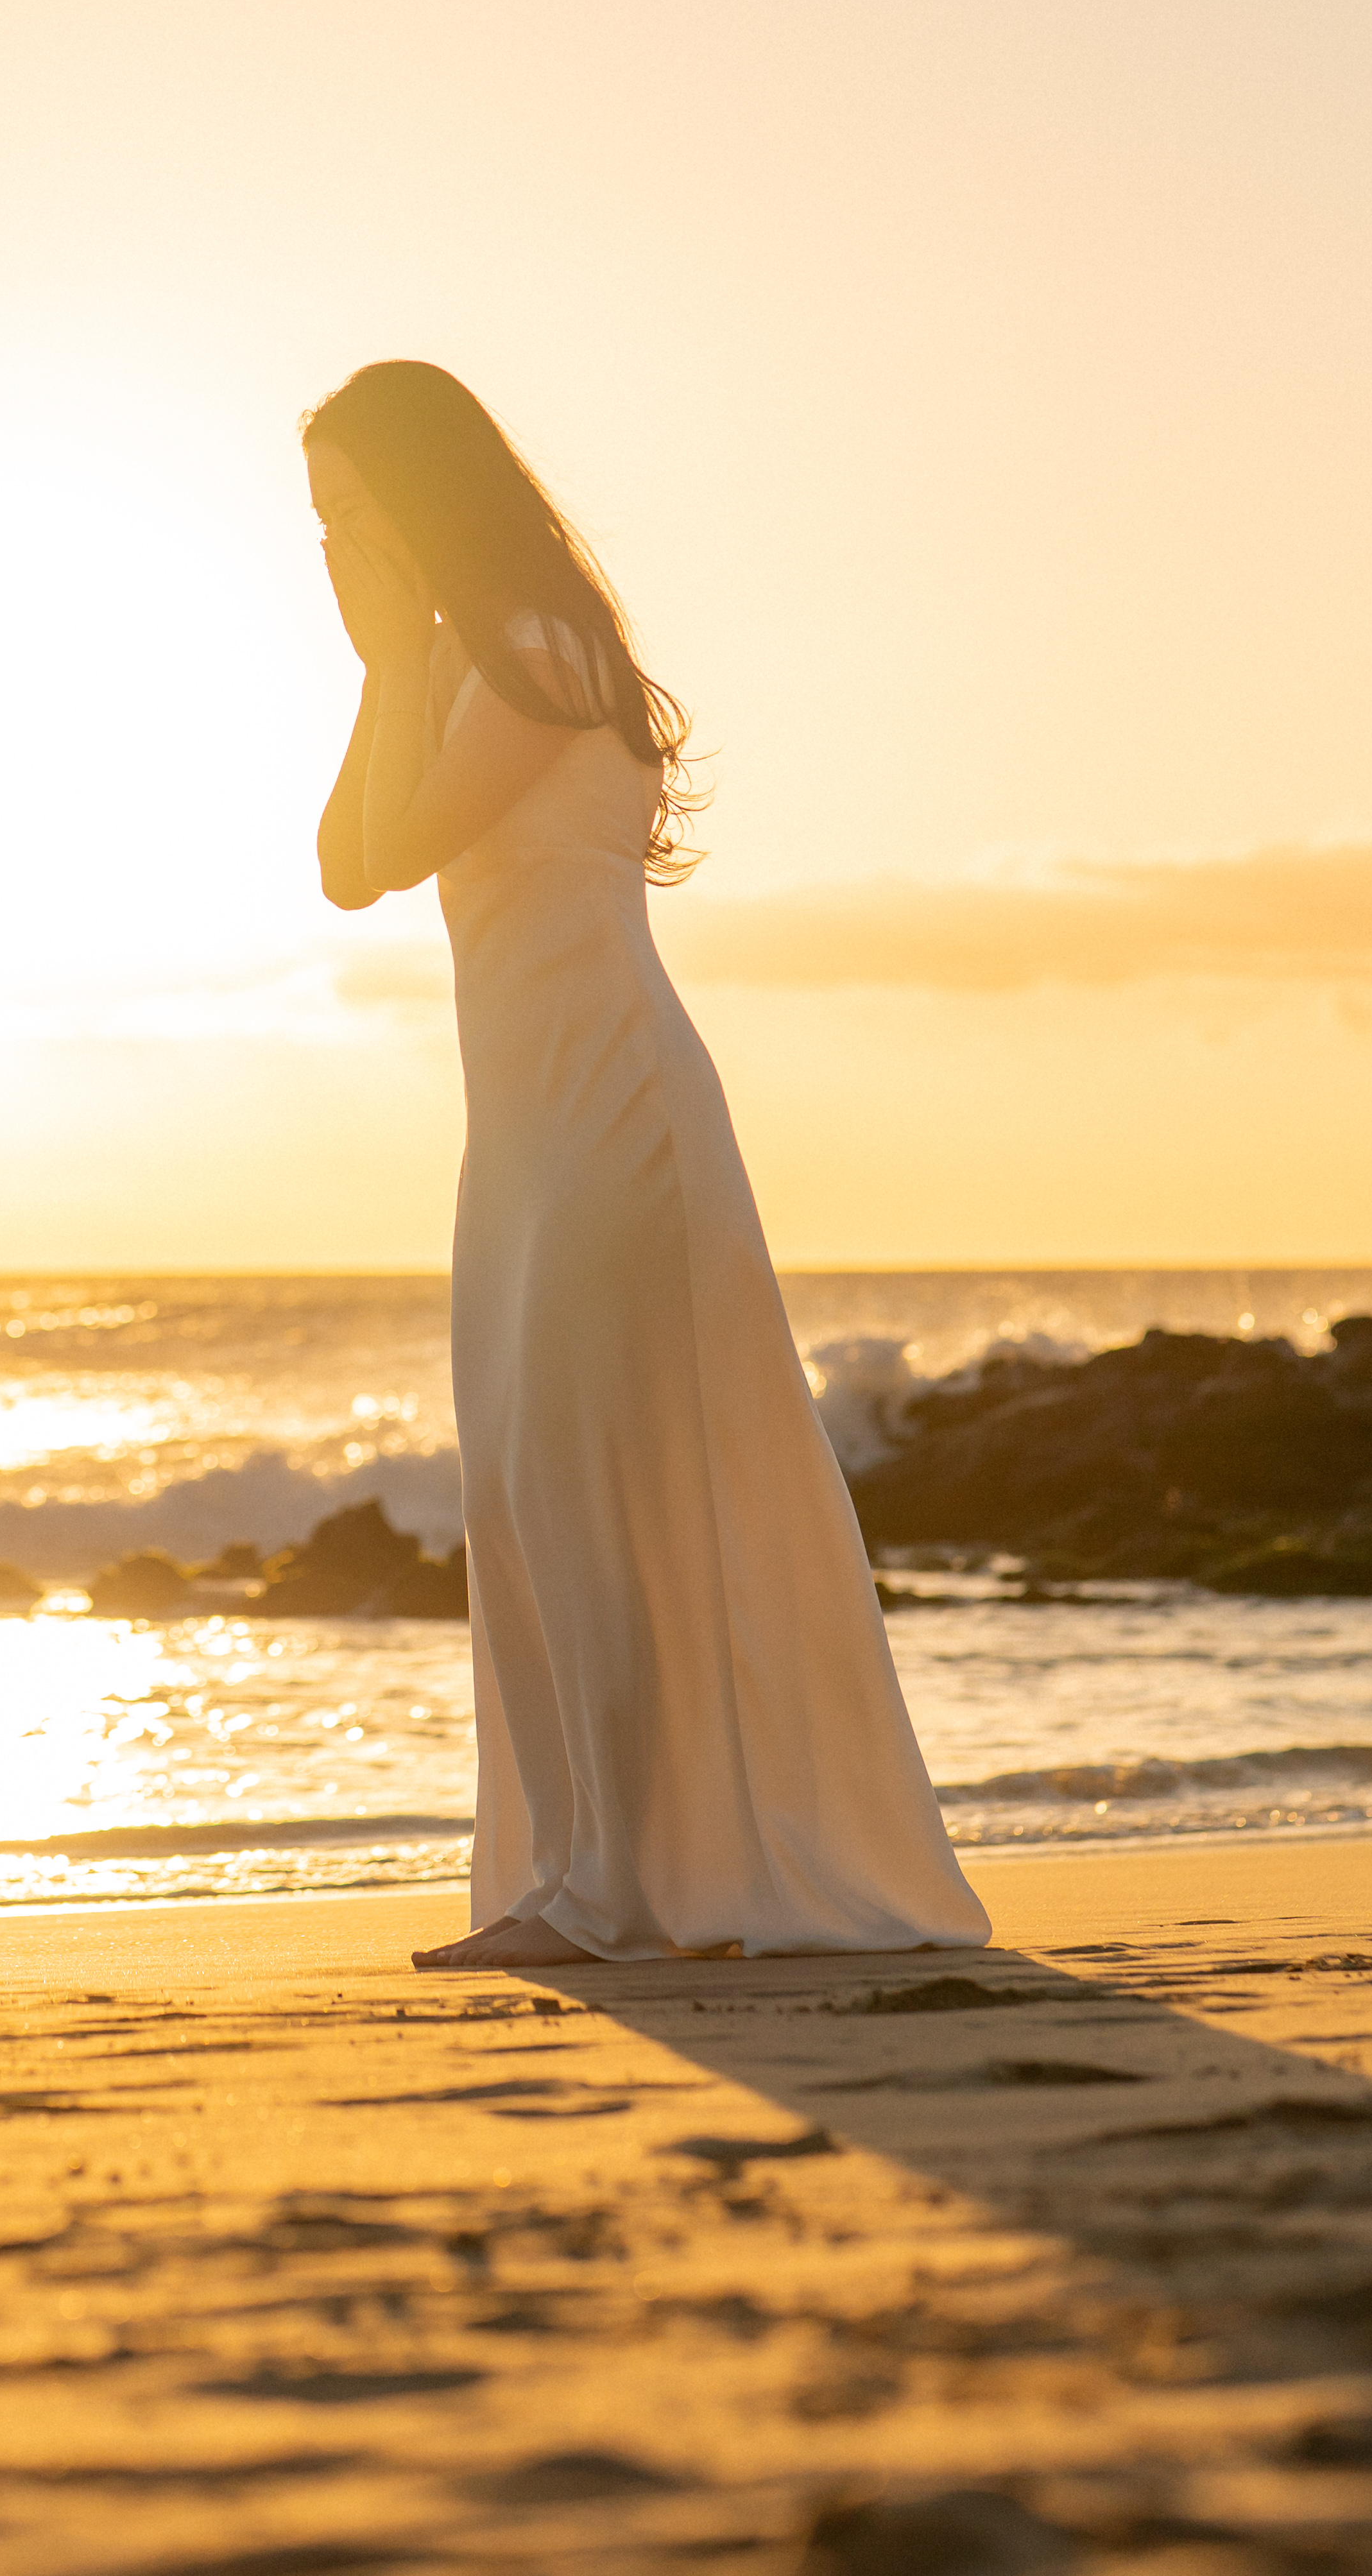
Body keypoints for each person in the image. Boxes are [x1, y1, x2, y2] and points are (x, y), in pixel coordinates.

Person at [305, 361, 988, 1970]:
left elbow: (391, 850)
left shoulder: (541, 656)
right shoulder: (451, 663)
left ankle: (618, 1888)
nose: (330, 546)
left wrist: (399, 652)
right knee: (524, 1491)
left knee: (590, 1485)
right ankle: (575, 1873)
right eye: (315, 522)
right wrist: (380, 661)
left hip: (615, 1114)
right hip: (521, 1141)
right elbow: (342, 868)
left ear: (421, 500)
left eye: (347, 513)